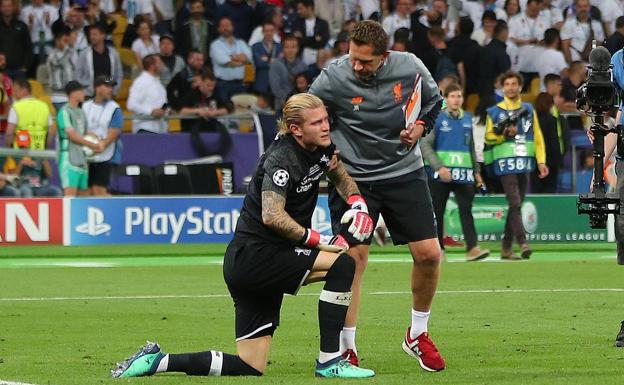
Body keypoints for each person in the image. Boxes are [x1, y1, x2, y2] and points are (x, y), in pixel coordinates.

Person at [110, 93, 376, 379]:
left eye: (326, 119)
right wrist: (315, 239)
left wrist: (358, 204)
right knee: (343, 265)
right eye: (317, 122)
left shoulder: (321, 148)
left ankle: (157, 362)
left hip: (253, 262)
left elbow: (338, 173)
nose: (325, 126)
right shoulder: (281, 159)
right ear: (296, 129)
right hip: (258, 257)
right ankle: (329, 361)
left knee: (250, 366)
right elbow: (272, 216)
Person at [309, 20, 446, 372]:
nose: (356, 66)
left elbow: (434, 103)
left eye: (365, 61)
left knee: (429, 254)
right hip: (353, 179)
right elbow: (306, 114)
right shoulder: (333, 76)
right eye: (353, 58)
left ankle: (417, 333)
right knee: (351, 260)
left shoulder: (410, 65)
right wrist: (327, 151)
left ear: (384, 56)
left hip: (404, 172)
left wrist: (419, 128)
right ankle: (346, 348)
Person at [421, 83, 490, 261]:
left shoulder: (468, 118)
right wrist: (439, 167)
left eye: (459, 96)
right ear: (445, 99)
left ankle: (473, 248)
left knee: (466, 210)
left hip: (464, 174)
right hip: (440, 175)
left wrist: (477, 172)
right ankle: (439, 250)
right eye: (452, 96)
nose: (456, 100)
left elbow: (471, 148)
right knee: (437, 211)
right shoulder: (436, 118)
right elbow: (425, 145)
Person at [484, 71, 548, 260]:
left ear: (520, 87)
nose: (511, 87)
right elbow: (487, 137)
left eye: (514, 84)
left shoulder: (528, 109)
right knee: (514, 202)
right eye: (507, 84)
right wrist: (502, 135)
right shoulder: (494, 112)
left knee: (516, 206)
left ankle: (505, 247)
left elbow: (537, 137)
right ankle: (523, 243)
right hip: (505, 164)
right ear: (502, 88)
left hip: (525, 163)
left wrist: (541, 161)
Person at [56, 81, 102, 196]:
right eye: (81, 91)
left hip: (82, 159)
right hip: (69, 158)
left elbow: (85, 131)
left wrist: (97, 139)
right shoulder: (64, 112)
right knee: (70, 195)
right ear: (72, 94)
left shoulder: (81, 112)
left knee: (84, 195)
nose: (84, 93)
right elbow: (72, 135)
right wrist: (91, 145)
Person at [83, 75, 123, 196]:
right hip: (87, 154)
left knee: (99, 190)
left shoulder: (114, 108)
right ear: (97, 88)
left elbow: (115, 131)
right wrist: (87, 135)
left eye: (111, 87)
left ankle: (117, 209)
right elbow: (80, 126)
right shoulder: (86, 106)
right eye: (107, 86)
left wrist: (102, 144)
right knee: (86, 191)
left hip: (107, 155)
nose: (110, 89)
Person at [178, 71, 233, 157]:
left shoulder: (215, 95)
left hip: (211, 127)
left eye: (213, 86)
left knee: (226, 137)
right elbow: (182, 111)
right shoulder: (191, 94)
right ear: (201, 83)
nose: (211, 88)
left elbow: (227, 109)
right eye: (208, 85)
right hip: (193, 127)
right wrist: (198, 111)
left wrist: (214, 112)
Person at [209, 16, 252, 102]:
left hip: (240, 84)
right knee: (225, 111)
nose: (225, 28)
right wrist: (241, 60)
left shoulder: (241, 43)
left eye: (228, 25)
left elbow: (248, 58)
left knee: (241, 112)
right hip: (223, 85)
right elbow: (225, 62)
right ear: (218, 29)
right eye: (223, 26)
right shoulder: (215, 45)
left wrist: (232, 57)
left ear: (232, 27)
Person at [76, 23, 123, 97]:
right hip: (90, 95)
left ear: (103, 35)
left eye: (95, 34)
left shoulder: (113, 53)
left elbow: (119, 74)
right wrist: (88, 86)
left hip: (109, 94)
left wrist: (114, 90)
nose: (92, 37)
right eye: (91, 35)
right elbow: (78, 75)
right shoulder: (84, 54)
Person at [4, 78, 51, 150]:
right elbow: (51, 132)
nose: (13, 94)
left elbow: (9, 133)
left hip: (20, 152)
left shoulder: (16, 106)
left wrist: (6, 149)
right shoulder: (44, 106)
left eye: (16, 91)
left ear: (24, 90)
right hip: (40, 152)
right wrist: (45, 148)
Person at [127, 54, 168, 134]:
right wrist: (151, 111)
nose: (162, 65)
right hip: (145, 129)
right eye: (160, 62)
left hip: (159, 130)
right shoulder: (141, 82)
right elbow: (131, 104)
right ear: (152, 65)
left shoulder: (158, 82)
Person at [269, 35, 307, 110]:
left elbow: (305, 87)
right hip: (281, 104)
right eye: (287, 47)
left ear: (298, 49)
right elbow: (275, 88)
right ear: (283, 49)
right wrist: (288, 100)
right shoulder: (276, 64)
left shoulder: (303, 66)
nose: (290, 50)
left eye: (293, 47)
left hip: (300, 104)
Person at [0, 0, 33, 79]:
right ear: (0, 8)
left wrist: (25, 67)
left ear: (13, 8)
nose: (6, 9)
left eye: (9, 6)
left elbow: (28, 48)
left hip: (19, 72)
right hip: (1, 72)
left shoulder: (22, 26)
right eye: (4, 6)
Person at [47, 26, 77, 112]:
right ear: (57, 41)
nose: (66, 44)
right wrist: (67, 49)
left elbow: (76, 68)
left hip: (71, 96)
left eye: (67, 41)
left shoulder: (72, 53)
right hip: (58, 98)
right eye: (64, 41)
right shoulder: (52, 55)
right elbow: (60, 62)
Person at [292, 0, 330, 65]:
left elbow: (323, 42)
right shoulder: (297, 23)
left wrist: (304, 39)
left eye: (301, 9)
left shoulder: (322, 23)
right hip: (301, 56)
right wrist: (314, 38)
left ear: (309, 8)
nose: (298, 11)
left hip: (319, 56)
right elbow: (298, 41)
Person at [251, 21, 282, 94]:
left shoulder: (279, 46)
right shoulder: (256, 46)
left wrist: (266, 60)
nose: (269, 33)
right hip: (261, 82)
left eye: (271, 31)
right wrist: (275, 60)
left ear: (274, 31)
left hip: (276, 82)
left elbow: (281, 64)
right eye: (266, 31)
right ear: (262, 32)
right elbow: (259, 63)